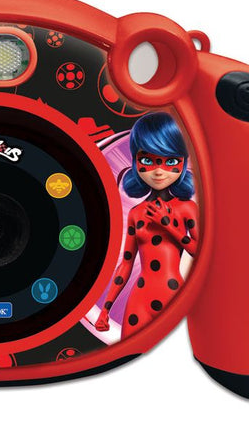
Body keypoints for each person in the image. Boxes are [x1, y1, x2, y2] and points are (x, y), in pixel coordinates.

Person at [94, 112, 198, 337]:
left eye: (171, 161)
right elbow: (126, 264)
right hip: (138, 300)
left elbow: (200, 252)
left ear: (183, 161)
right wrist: (106, 309)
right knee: (130, 355)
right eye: (148, 161)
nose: (159, 171)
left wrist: (169, 226)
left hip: (173, 296)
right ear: (135, 161)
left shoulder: (186, 208)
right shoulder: (136, 213)